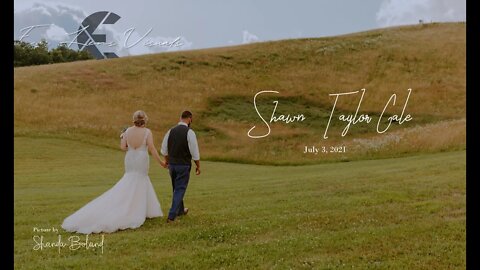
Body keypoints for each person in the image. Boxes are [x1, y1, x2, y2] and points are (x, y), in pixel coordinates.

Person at [61, 110, 166, 234]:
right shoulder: (147, 132)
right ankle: (137, 210)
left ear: (134, 120)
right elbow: (152, 149)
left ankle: (140, 208)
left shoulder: (127, 132)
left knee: (130, 179)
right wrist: (162, 162)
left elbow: (123, 147)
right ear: (145, 120)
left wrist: (128, 143)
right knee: (140, 179)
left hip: (130, 157)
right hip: (141, 158)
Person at [161, 110, 201, 223]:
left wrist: (167, 162)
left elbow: (164, 150)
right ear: (189, 118)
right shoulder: (190, 132)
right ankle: (171, 216)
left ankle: (180, 210)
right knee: (180, 189)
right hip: (183, 165)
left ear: (180, 118)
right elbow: (195, 152)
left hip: (172, 166)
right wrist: (198, 166)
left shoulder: (170, 131)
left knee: (176, 188)